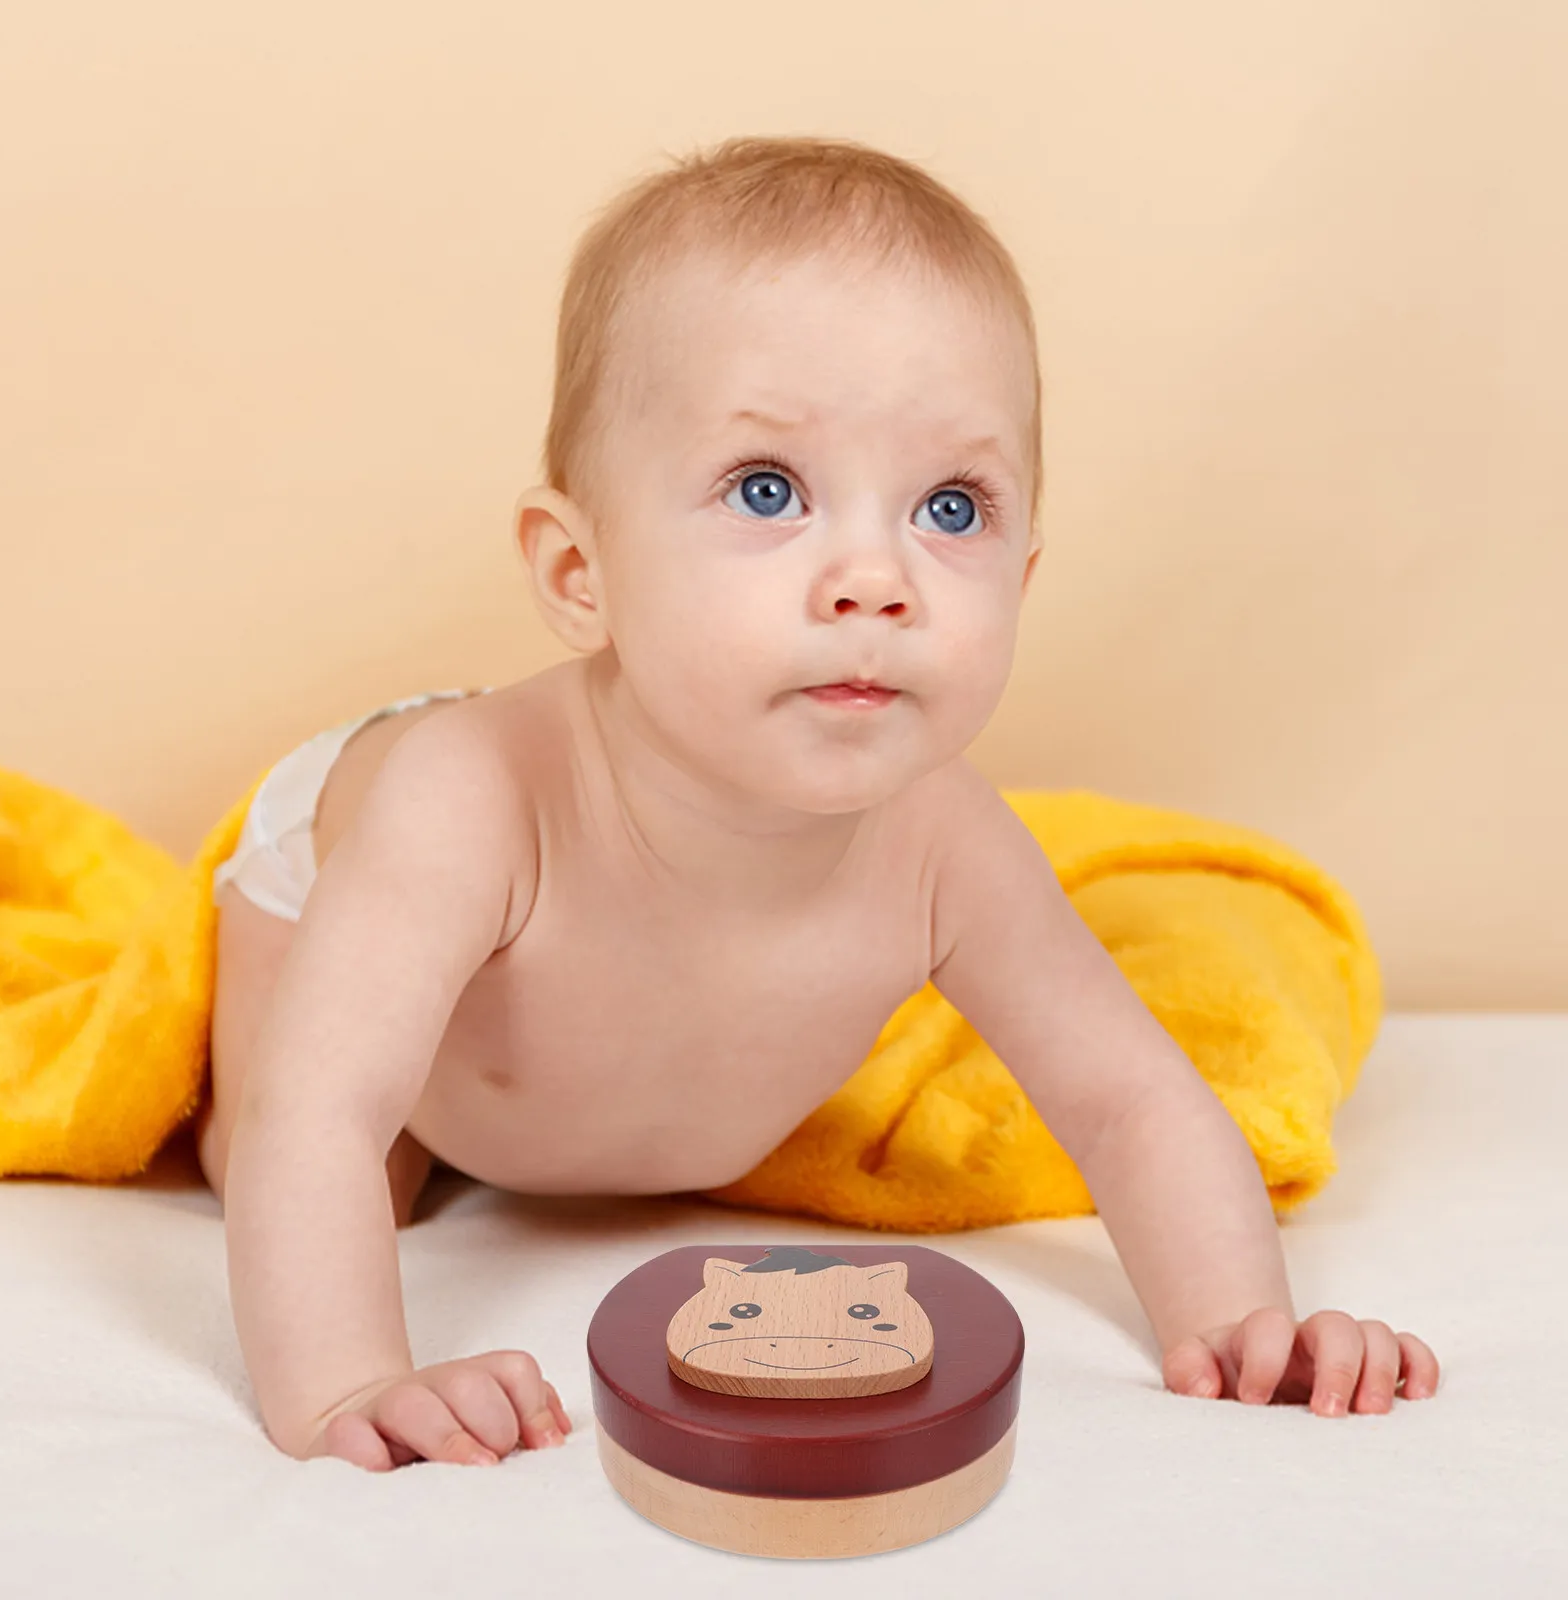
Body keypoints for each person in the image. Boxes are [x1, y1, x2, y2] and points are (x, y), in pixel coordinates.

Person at [198, 135, 1439, 1471]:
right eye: (768, 490)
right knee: (321, 1165)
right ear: (580, 572)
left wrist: (1248, 1321)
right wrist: (343, 1390)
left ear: (1022, 578)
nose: (876, 577)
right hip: (333, 856)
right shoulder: (472, 804)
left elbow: (1130, 1103)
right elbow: (318, 1112)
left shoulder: (947, 843)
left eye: (950, 508)